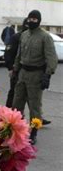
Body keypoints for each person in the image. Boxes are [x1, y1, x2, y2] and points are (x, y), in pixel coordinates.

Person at [12, 10, 58, 144]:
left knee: (34, 106)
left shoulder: (45, 37)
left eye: (34, 19)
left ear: (39, 21)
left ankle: (33, 133)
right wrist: (15, 70)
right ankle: (16, 129)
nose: (31, 21)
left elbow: (51, 57)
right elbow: (19, 55)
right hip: (22, 73)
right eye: (30, 19)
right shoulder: (24, 35)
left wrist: (47, 75)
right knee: (17, 103)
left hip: (36, 74)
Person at [5, 18, 28, 107]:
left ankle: (36, 116)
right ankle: (7, 112)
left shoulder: (33, 38)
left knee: (30, 93)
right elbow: (8, 54)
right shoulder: (16, 37)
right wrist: (10, 68)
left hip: (28, 71)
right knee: (13, 91)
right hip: (16, 69)